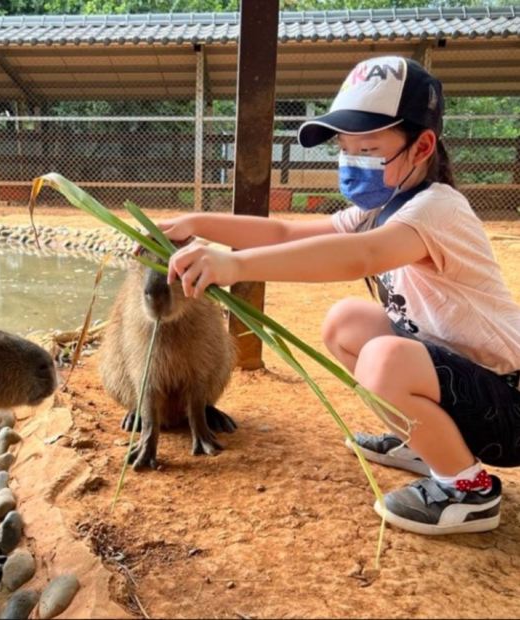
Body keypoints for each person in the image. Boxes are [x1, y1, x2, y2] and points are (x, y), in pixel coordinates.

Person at [158, 56, 520, 536]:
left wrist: (236, 266)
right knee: (346, 323)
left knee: (384, 360)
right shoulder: (381, 207)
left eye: (367, 150)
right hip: (459, 379)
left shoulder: (438, 208)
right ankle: (428, 443)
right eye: (345, 151)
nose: (352, 164)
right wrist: (197, 223)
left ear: (422, 146)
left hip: (508, 402)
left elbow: (359, 257)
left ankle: (467, 490)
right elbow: (286, 230)